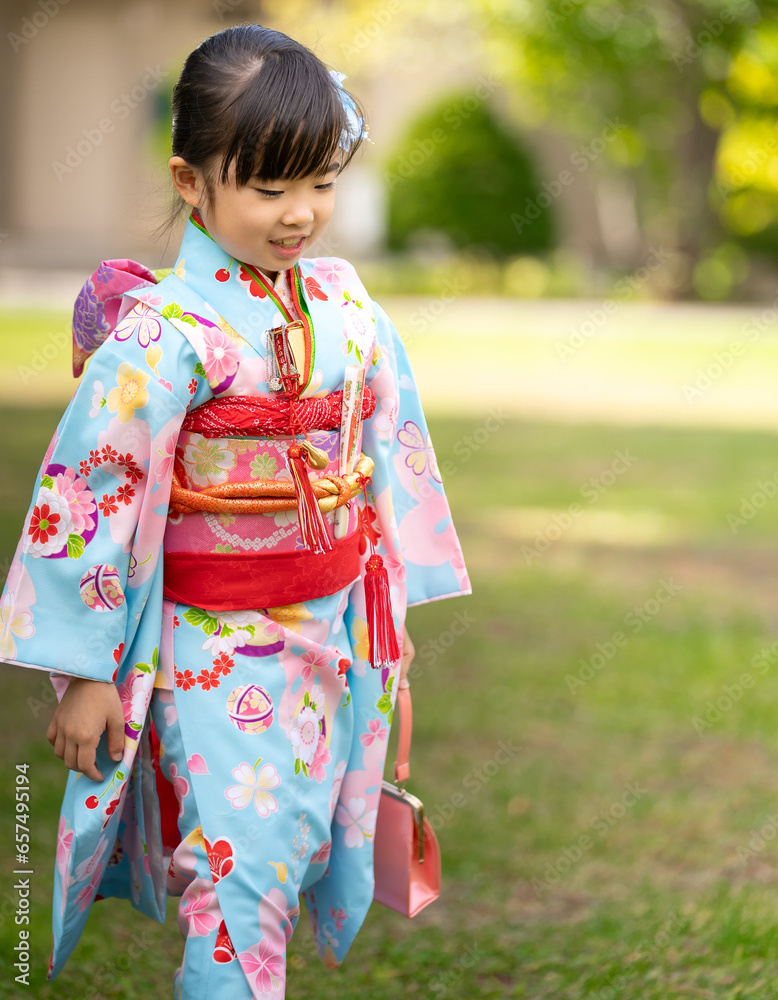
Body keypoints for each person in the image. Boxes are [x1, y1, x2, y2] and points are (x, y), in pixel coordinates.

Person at [0, 23, 469, 999]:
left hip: (331, 624)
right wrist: (83, 669)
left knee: (288, 847)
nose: (301, 214)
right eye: (268, 186)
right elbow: (90, 494)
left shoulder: (345, 305)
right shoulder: (166, 333)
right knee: (237, 871)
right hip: (209, 642)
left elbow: (388, 449)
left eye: (320, 181)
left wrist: (389, 607)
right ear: (189, 180)